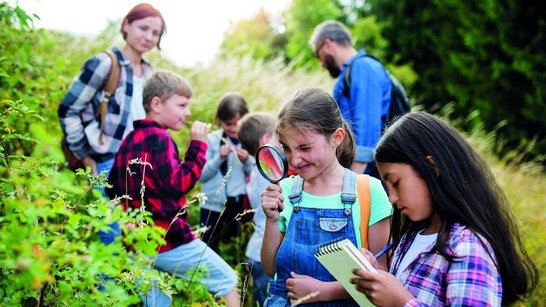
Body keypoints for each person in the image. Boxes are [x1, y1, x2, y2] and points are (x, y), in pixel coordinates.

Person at [350, 112, 538, 306]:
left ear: (433, 167)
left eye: (396, 183)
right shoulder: (411, 238)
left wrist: (401, 302)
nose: (392, 198)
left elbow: (404, 299)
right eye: (387, 187)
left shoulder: (467, 248)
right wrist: (377, 278)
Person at [105, 70, 240, 307]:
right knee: (228, 281)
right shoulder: (161, 139)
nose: (188, 112)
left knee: (158, 302)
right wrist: (198, 146)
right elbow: (180, 184)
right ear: (157, 104)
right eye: (182, 105)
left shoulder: (129, 140)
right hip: (168, 239)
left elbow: (112, 189)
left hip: (137, 243)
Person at [260, 88, 392, 306]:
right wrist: (272, 220)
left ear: (336, 138)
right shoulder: (284, 189)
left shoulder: (369, 191)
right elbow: (269, 268)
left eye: (304, 147)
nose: (295, 159)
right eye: (286, 148)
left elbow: (380, 274)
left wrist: (323, 291)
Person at [58, 3, 166, 177]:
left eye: (155, 33)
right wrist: (84, 156)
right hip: (107, 162)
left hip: (138, 164)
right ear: (126, 25)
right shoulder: (105, 63)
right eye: (143, 28)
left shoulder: (150, 73)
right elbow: (68, 110)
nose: (149, 37)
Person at [309, 20, 392, 179]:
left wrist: (350, 188)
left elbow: (366, 137)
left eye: (317, 54)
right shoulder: (350, 73)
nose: (321, 63)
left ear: (327, 44)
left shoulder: (363, 67)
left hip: (370, 179)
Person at [199, 93, 254, 253]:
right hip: (211, 206)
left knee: (236, 248)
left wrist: (247, 162)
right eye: (228, 124)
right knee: (207, 248)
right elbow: (202, 175)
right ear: (219, 121)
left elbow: (256, 175)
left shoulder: (249, 141)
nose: (234, 129)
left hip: (238, 205)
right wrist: (219, 158)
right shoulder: (211, 140)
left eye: (238, 124)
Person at [237, 112, 277, 307]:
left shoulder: (255, 168)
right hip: (264, 252)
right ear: (266, 140)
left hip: (256, 250)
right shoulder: (269, 171)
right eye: (279, 137)